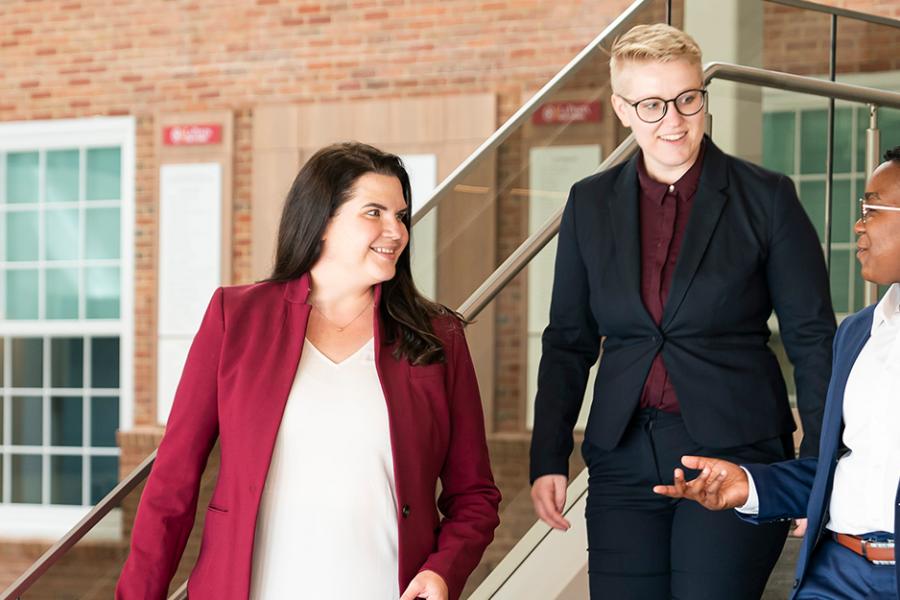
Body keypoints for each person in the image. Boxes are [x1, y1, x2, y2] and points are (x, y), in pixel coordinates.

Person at [529, 23, 836, 599]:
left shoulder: (766, 197)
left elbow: (812, 338)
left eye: (687, 98)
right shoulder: (588, 203)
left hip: (737, 452)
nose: (673, 120)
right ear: (622, 109)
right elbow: (568, 338)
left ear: (701, 95)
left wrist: (813, 471)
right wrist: (548, 454)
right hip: (621, 456)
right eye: (651, 104)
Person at [116, 142, 501, 600]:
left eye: (400, 215)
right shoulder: (234, 317)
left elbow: (475, 495)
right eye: (374, 212)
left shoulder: (439, 337)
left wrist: (443, 571)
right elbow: (172, 484)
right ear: (321, 221)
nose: (395, 230)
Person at [653, 147, 900, 598]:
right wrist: (747, 485)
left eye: (872, 208)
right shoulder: (857, 335)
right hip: (836, 574)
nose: (858, 224)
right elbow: (837, 469)